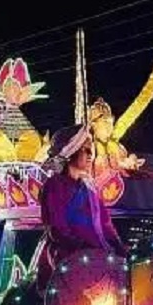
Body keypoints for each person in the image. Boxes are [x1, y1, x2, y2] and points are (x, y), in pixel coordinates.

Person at [37, 124, 128, 291]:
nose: (90, 155)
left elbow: (106, 226)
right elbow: (58, 229)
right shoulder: (55, 186)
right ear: (71, 152)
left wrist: (120, 251)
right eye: (85, 150)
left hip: (98, 263)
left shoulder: (90, 188)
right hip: (67, 264)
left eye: (91, 149)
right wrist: (87, 250)